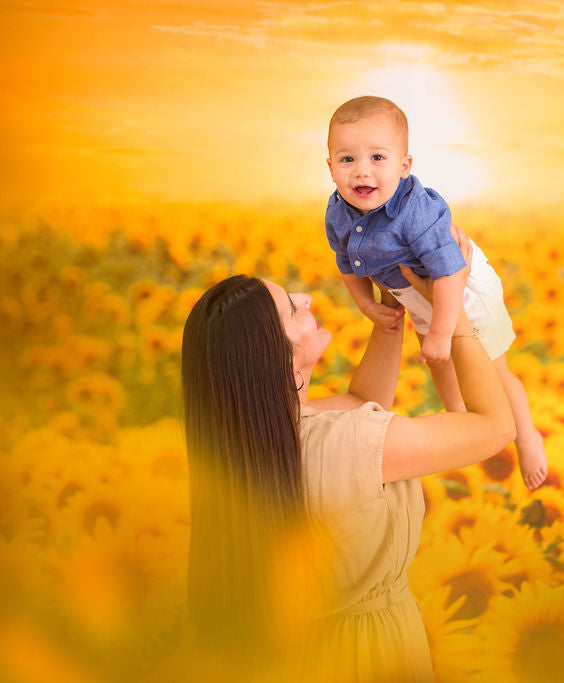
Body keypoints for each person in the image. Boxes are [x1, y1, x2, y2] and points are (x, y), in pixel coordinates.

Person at [181, 231, 514, 681]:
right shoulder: (350, 442)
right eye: (292, 309)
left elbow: (361, 401)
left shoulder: (250, 440)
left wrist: (389, 308)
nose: (307, 298)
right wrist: (450, 310)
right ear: (280, 355)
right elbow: (496, 427)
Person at [324, 95, 547, 491]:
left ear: (404, 165)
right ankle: (462, 419)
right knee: (439, 364)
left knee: (491, 367)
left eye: (378, 158)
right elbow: (345, 261)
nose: (362, 171)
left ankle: (526, 435)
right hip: (417, 294)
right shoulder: (338, 212)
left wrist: (443, 331)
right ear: (330, 167)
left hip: (461, 288)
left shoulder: (417, 213)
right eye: (347, 160)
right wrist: (364, 303)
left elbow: (448, 271)